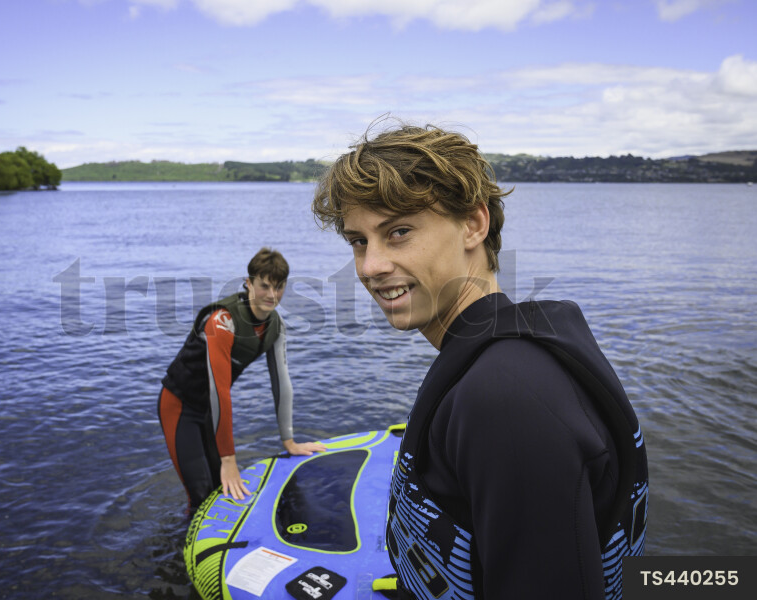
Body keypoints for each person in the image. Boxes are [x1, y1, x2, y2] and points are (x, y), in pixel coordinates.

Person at [311, 123, 648, 599]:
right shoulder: (519, 350)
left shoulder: (506, 396)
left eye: (399, 232)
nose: (369, 267)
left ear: (473, 224)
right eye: (359, 241)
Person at [158, 247, 326, 512]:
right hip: (179, 407)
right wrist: (228, 458)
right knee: (200, 493)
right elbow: (219, 391)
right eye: (265, 286)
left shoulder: (275, 326)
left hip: (208, 412)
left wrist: (289, 441)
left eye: (279, 287)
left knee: (220, 489)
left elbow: (281, 384)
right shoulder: (222, 322)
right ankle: (181, 550)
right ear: (249, 283)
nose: (272, 296)